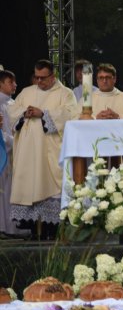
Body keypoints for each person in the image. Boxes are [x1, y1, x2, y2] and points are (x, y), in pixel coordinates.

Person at [9, 60, 78, 239]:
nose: (39, 82)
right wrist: (24, 113)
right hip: (27, 151)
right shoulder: (27, 92)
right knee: (29, 185)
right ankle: (33, 229)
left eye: (43, 78)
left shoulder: (65, 93)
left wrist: (44, 114)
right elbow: (12, 111)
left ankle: (52, 231)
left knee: (49, 186)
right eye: (36, 77)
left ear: (53, 76)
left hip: (50, 149)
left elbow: (71, 114)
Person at [0, 70, 17, 236]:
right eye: (10, 82)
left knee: (11, 189)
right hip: (3, 150)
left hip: (14, 150)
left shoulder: (13, 103)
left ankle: (12, 227)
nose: (15, 85)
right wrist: (13, 142)